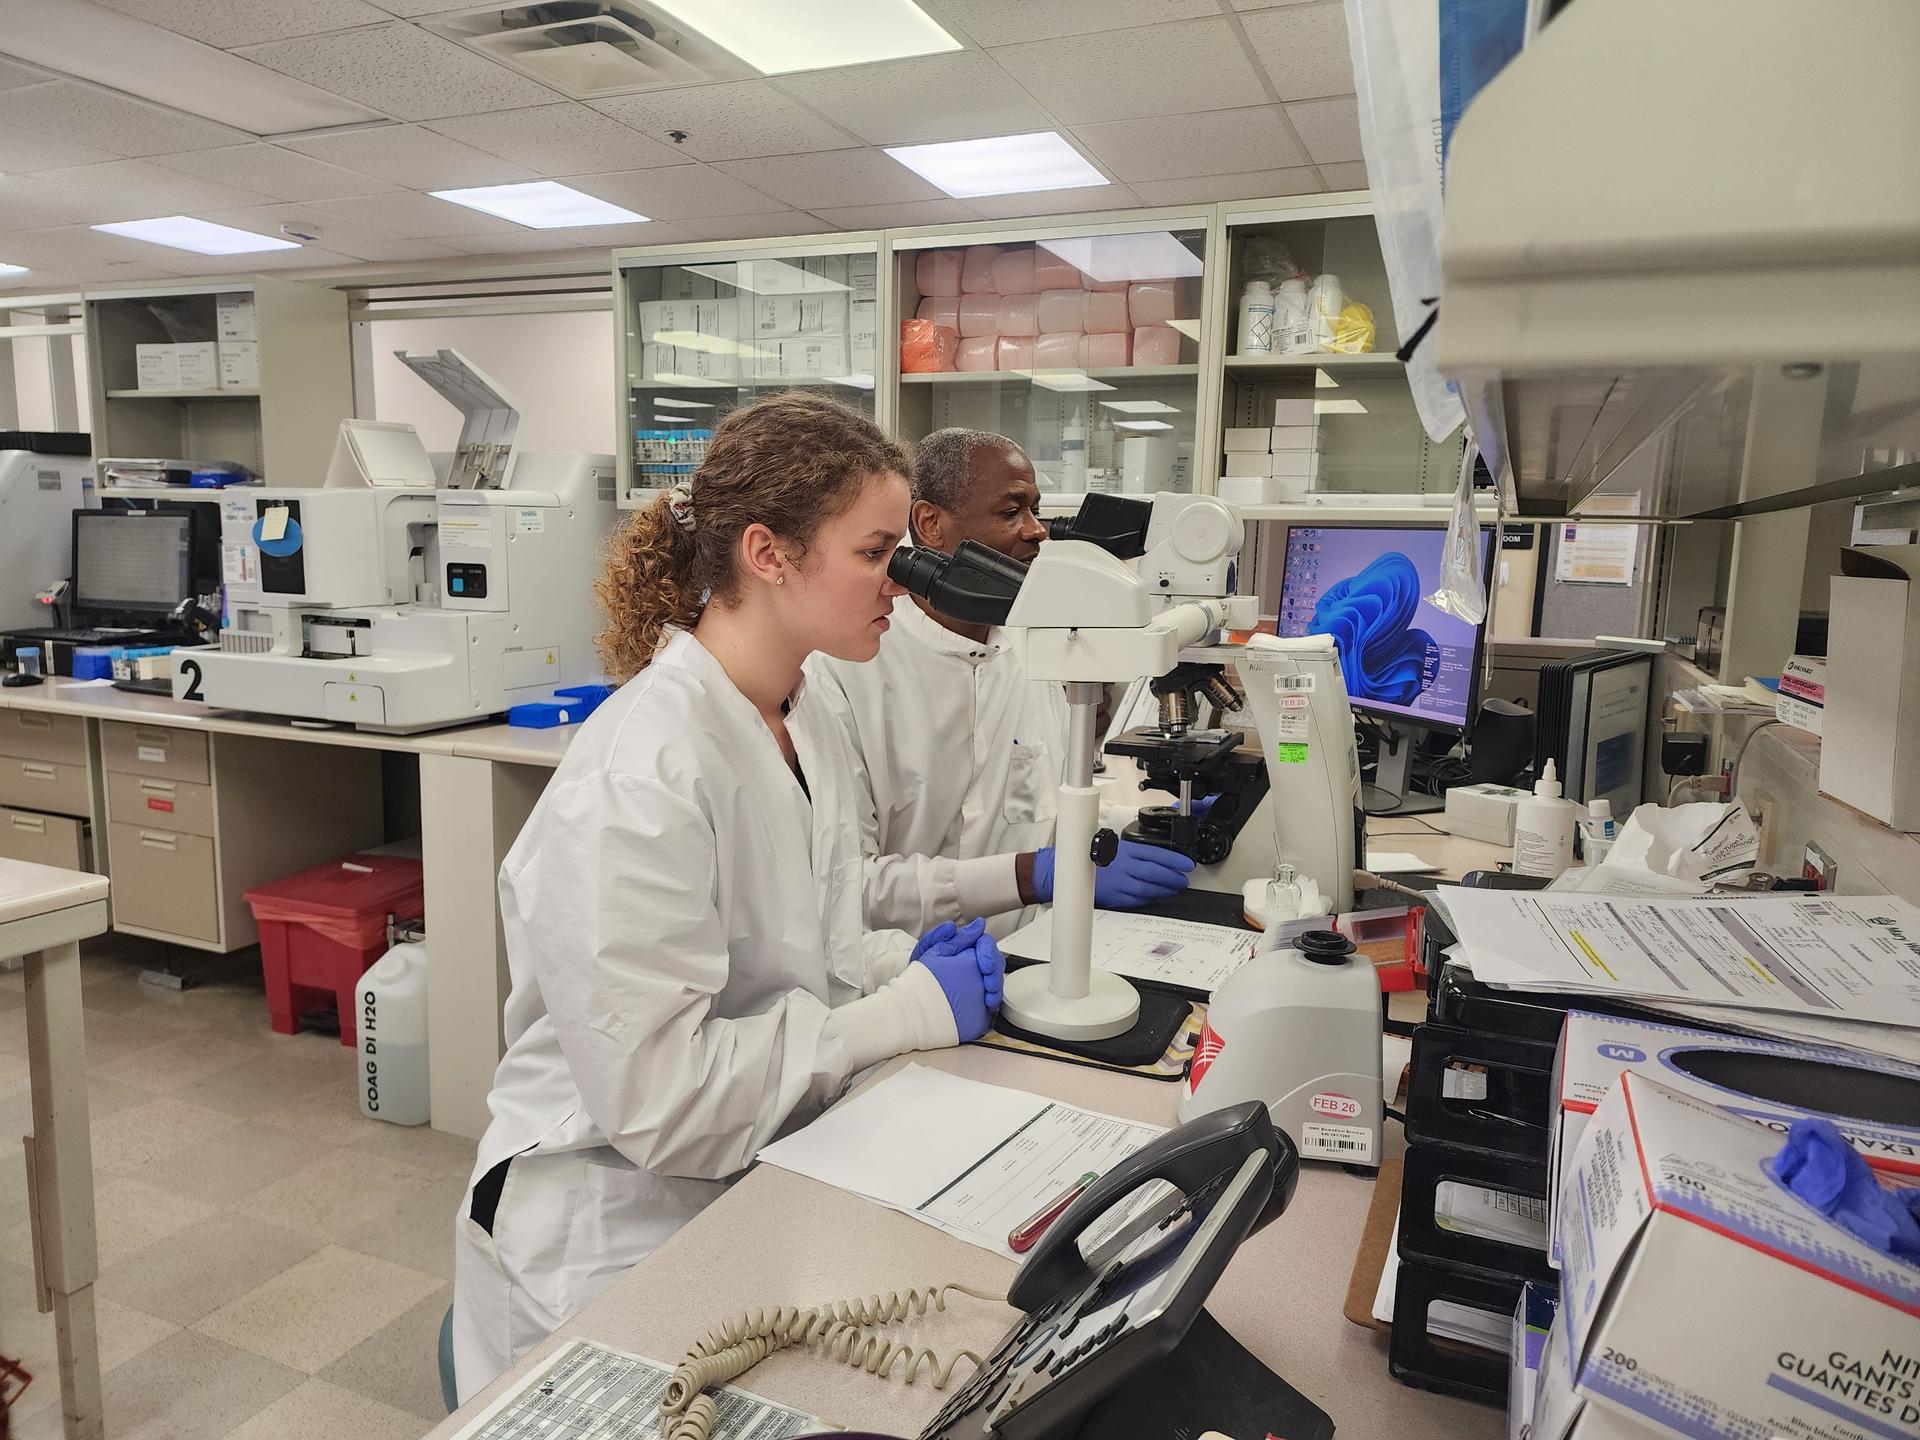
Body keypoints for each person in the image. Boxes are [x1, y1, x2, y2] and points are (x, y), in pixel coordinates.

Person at [450, 395, 1004, 1402]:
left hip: (747, 1173)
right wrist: (899, 1016)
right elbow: (661, 1099)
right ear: (770, 553)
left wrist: (902, 964)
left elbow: (813, 927)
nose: (906, 582)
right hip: (602, 1222)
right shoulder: (642, 771)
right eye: (880, 552)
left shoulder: (801, 714)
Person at [799, 427, 1193, 940]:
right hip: (908, 975)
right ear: (930, 525)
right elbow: (852, 886)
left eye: (1035, 510)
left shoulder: (1033, 645)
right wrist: (1037, 875)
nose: (1037, 532)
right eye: (1012, 513)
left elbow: (1039, 811)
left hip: (1033, 954)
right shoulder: (845, 668)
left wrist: (1143, 823)